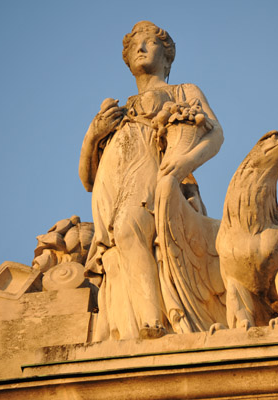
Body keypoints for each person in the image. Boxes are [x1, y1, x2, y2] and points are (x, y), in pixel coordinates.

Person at [79, 21, 223, 340]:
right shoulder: (117, 109)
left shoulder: (182, 91)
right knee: (118, 248)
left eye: (149, 43)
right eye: (134, 46)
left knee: (130, 226)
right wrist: (94, 135)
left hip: (151, 165)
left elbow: (215, 134)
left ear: (168, 57)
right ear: (128, 60)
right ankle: (134, 326)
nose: (141, 48)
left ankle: (153, 323)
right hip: (109, 184)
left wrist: (184, 163)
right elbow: (87, 179)